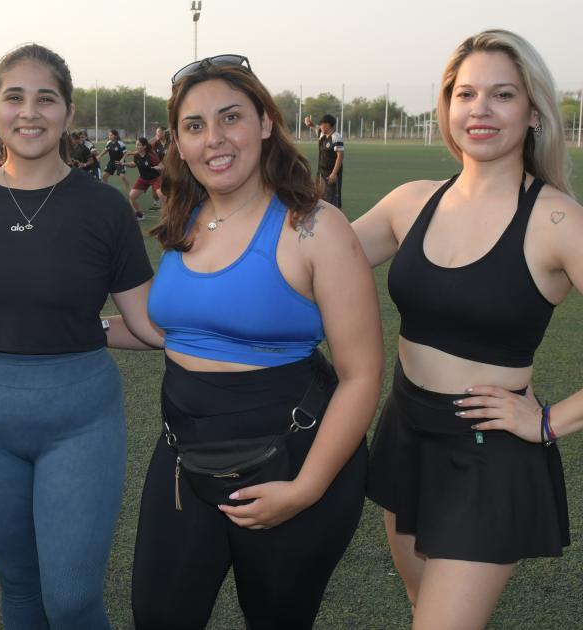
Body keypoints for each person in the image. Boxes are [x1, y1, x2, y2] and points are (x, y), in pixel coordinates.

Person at [350, 30, 583, 628]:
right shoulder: (410, 202)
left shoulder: (558, 221)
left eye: (502, 95)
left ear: (533, 113)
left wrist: (547, 422)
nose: (480, 110)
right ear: (447, 107)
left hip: (486, 456)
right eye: (466, 93)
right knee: (420, 609)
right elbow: (319, 266)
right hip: (404, 432)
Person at [126, 53, 382, 630]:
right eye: (194, 126)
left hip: (291, 462)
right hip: (184, 456)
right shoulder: (184, 220)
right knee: (159, 616)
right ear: (179, 143)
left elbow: (363, 374)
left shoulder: (314, 226)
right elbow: (178, 332)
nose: (214, 140)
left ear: (266, 122)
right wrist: (80, 328)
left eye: (230, 118)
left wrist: (305, 489)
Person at [0, 43, 156, 629]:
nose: (30, 113)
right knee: (21, 587)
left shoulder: (105, 207)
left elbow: (149, 323)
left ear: (68, 112)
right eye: (15, 97)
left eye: (45, 99)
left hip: (79, 417)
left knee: (73, 597)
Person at [123, 137, 163, 219]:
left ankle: (169, 215)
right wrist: (124, 164)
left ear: (144, 146)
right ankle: (139, 215)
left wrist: (159, 167)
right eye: (136, 144)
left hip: (155, 178)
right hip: (143, 179)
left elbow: (161, 166)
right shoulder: (137, 156)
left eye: (138, 145)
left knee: (162, 196)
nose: (136, 146)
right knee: (132, 196)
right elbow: (134, 164)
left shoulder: (151, 156)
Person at [313, 114, 344, 207]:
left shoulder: (336, 137)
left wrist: (334, 174)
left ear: (328, 125)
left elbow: (340, 156)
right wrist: (310, 123)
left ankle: (337, 220)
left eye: (321, 124)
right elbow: (314, 127)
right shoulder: (322, 135)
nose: (320, 126)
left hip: (331, 174)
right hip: (321, 172)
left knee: (333, 200)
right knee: (320, 198)